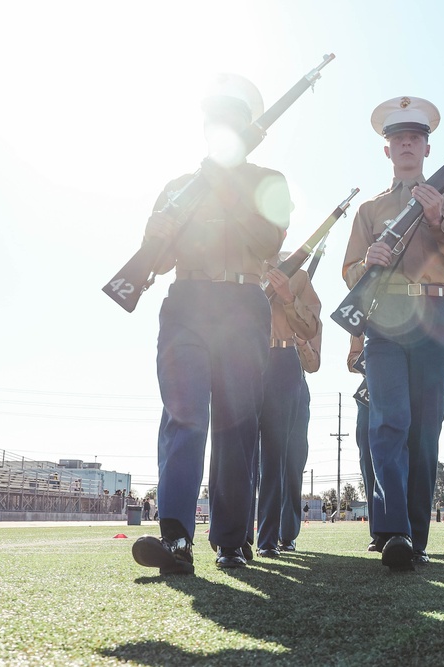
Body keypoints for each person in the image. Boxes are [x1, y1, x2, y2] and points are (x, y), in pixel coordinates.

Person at [132, 73, 289, 576]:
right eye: (214, 122)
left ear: (249, 130)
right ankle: (175, 536)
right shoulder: (180, 187)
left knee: (235, 425)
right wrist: (155, 238)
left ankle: (231, 541)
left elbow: (269, 242)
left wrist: (227, 189)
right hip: (188, 302)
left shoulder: (270, 181)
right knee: (183, 417)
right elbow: (153, 264)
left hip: (243, 302)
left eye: (231, 122)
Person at [341, 96, 444, 571]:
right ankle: (394, 529)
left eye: (414, 138)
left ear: (426, 148)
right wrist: (367, 262)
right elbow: (348, 272)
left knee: (423, 430)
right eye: (397, 138)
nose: (406, 144)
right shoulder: (370, 210)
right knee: (388, 424)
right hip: (384, 320)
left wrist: (438, 220)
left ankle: (414, 536)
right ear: (387, 151)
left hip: (433, 317)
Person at [248, 253, 321, 558]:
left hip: (288, 370)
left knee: (285, 461)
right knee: (247, 456)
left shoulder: (300, 278)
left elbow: (313, 360)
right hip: (249, 362)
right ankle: (238, 536)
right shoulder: (246, 268)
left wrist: (288, 298)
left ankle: (282, 534)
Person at [279, 298, 322, 552]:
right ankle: (263, 531)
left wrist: (302, 342)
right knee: (264, 464)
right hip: (262, 381)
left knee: (293, 463)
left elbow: (313, 364)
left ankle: (287, 533)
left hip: (296, 387)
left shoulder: (310, 318)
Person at [349, 334, 379, 551]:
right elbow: (352, 361)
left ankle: (404, 529)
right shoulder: (364, 316)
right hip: (369, 395)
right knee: (369, 464)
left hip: (404, 389)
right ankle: (378, 532)